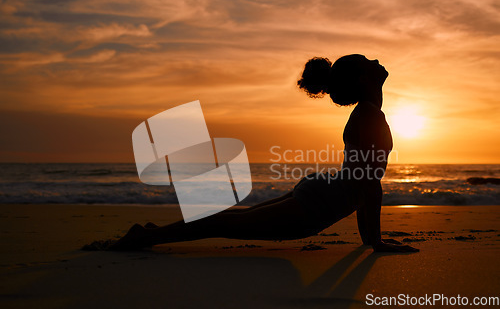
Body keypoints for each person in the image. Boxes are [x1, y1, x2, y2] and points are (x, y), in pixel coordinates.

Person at [110, 54, 419, 253]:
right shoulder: (370, 116)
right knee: (228, 225)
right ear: (364, 79)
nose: (375, 58)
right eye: (368, 60)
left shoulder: (369, 114)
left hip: (322, 193)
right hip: (318, 203)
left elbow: (363, 184)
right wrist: (375, 243)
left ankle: (152, 233)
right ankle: (144, 237)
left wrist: (370, 241)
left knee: (233, 221)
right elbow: (367, 184)